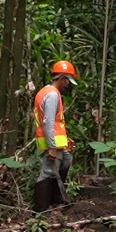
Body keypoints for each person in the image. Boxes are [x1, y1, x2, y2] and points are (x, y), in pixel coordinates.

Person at [33, 60, 79, 213]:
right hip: (51, 143)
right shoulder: (52, 95)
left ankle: (55, 199)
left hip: (56, 141)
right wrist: (52, 147)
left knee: (66, 160)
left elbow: (55, 123)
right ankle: (41, 210)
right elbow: (48, 122)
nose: (68, 85)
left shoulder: (47, 92)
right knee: (47, 171)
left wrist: (64, 140)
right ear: (62, 79)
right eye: (68, 81)